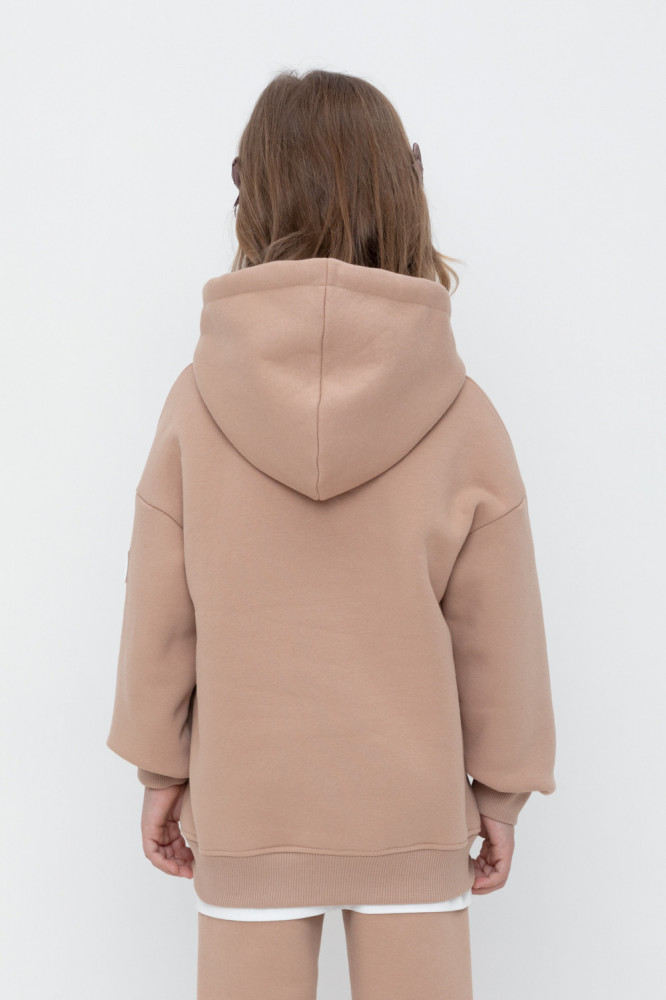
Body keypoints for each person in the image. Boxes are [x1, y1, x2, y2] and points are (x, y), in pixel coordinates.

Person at [106, 68, 557, 1000]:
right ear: (405, 188)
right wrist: (502, 790)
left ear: (253, 194)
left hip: (250, 805)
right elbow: (498, 626)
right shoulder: (461, 413)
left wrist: (161, 767)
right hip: (411, 815)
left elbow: (160, 610)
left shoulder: (197, 405)